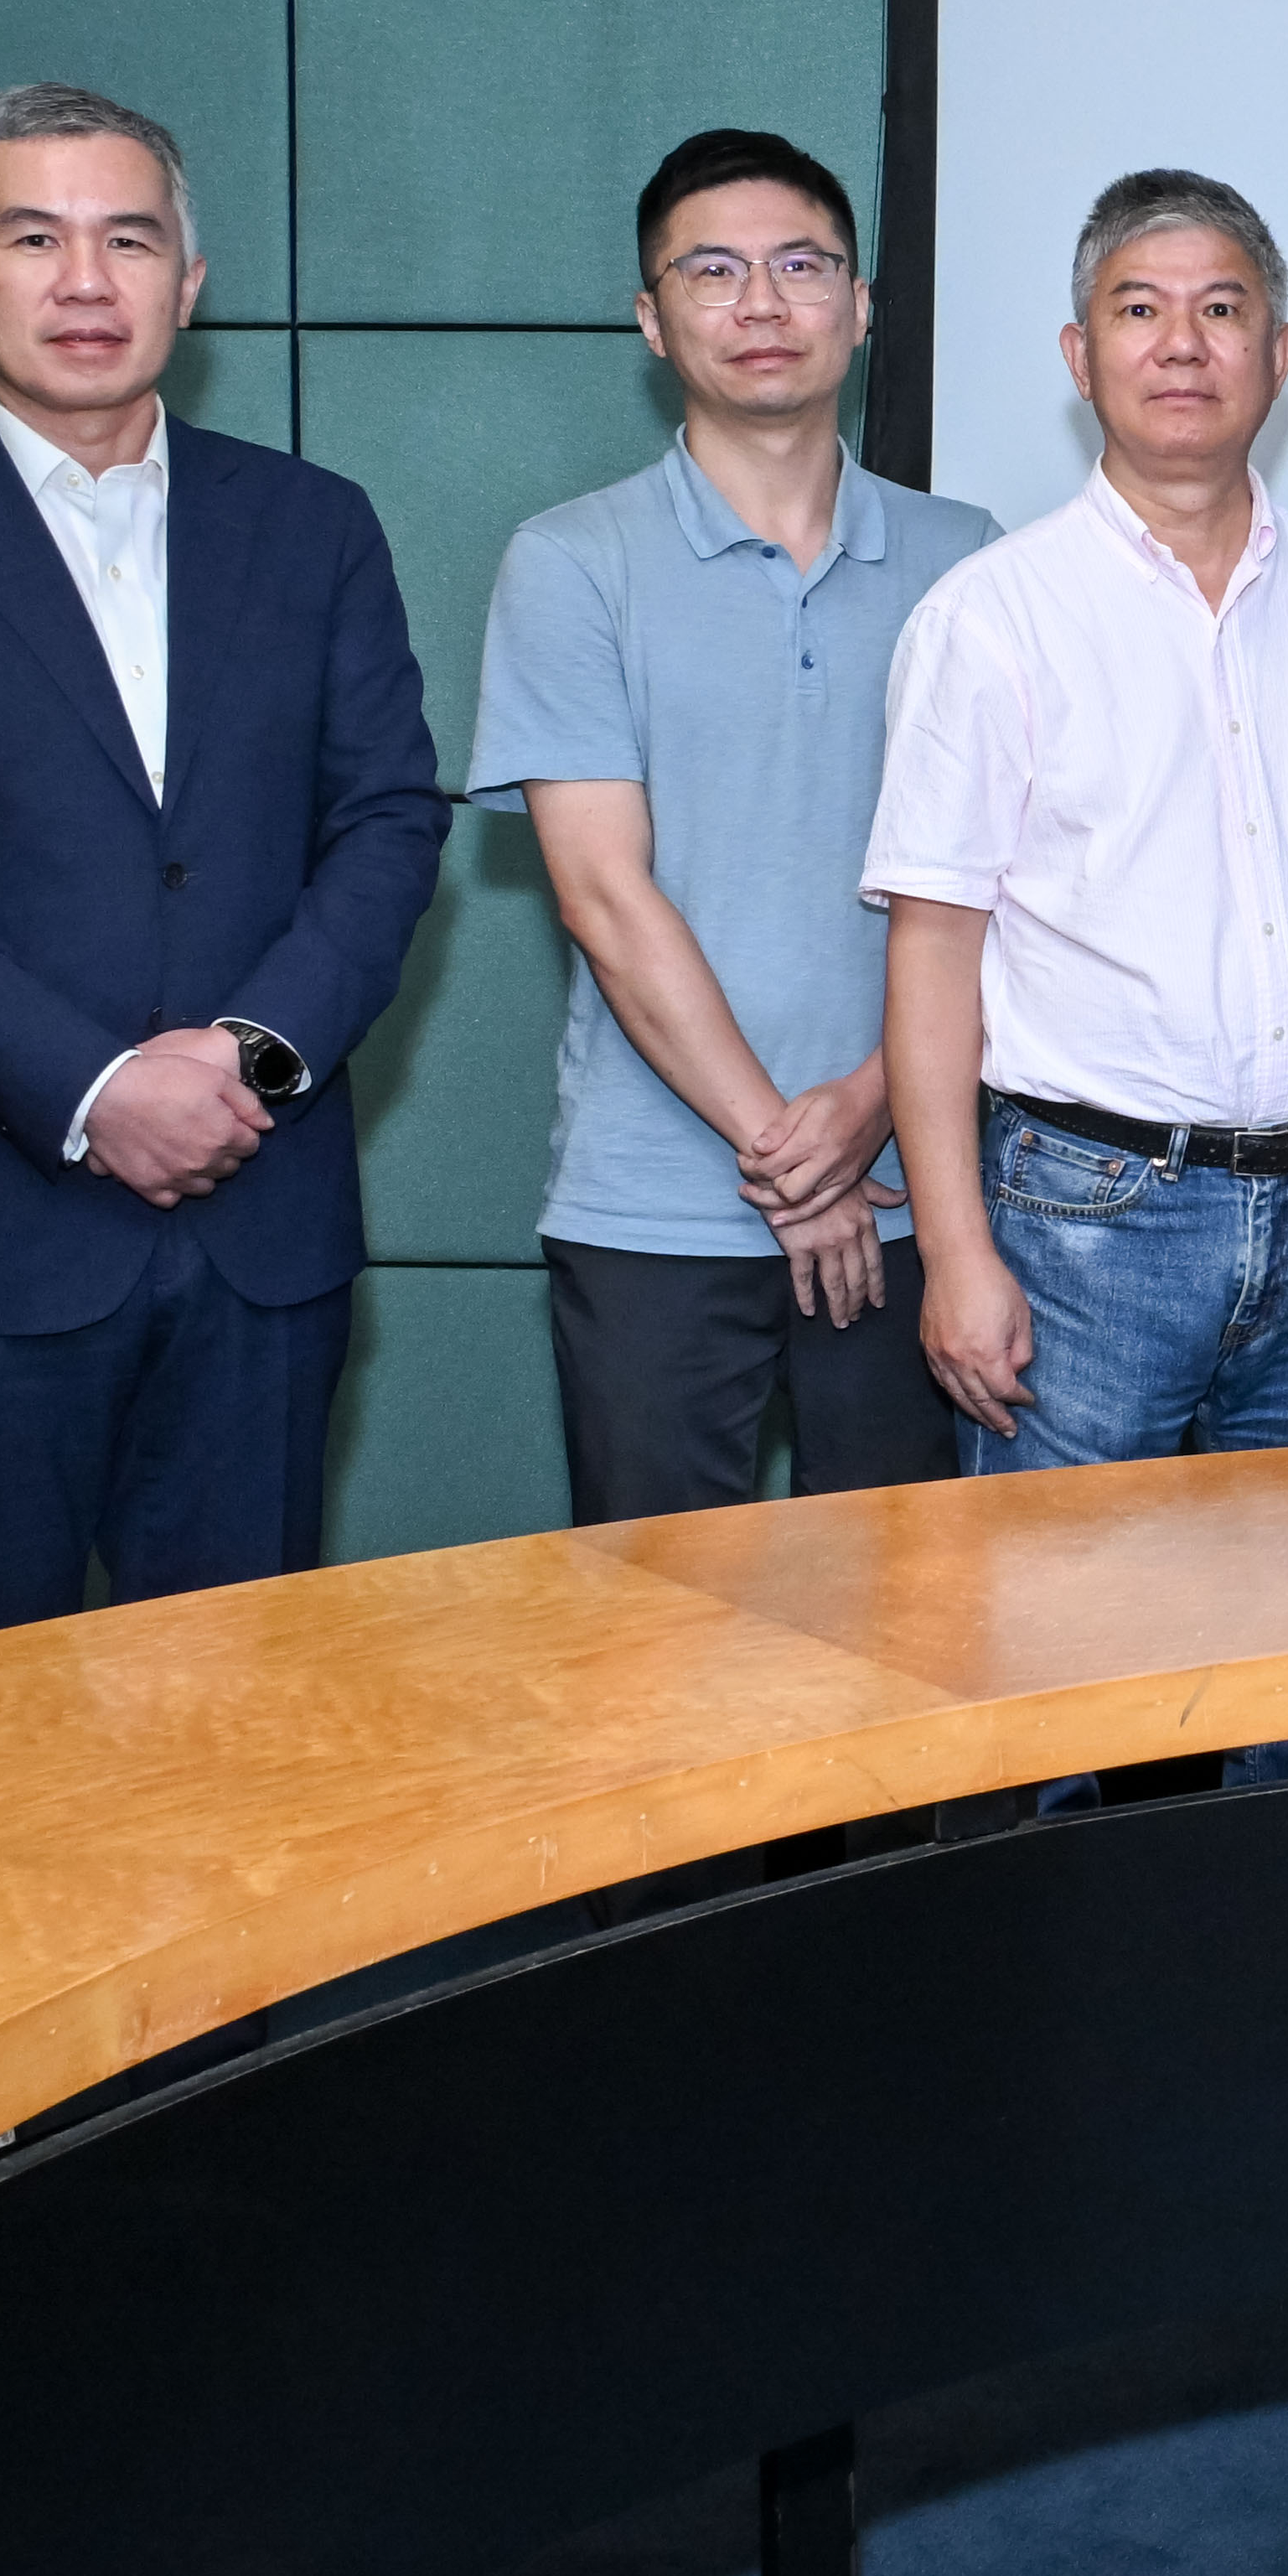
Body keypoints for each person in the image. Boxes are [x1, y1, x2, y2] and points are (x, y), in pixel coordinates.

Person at [0, 83, 445, 1604]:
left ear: (187, 284)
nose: (82, 280)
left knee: (239, 1730)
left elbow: (386, 819)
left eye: (128, 239)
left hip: (266, 1221)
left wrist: (249, 1061)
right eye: (34, 236)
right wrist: (93, 1085)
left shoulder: (313, 522)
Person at [872, 172, 1288, 1468]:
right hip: (1088, 1225)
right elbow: (935, 949)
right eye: (1140, 308)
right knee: (1072, 1633)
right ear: (1080, 355)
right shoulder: (993, 616)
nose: (1181, 342)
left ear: (1278, 357)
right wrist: (954, 1252)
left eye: (1221, 309)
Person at [469, 130, 998, 1528]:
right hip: (651, 1208)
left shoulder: (971, 562)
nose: (762, 304)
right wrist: (787, 1153)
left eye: (801, 265)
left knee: (911, 1641)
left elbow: (1005, 892)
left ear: (862, 301)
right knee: (661, 1652)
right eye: (713, 270)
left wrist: (869, 1106)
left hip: (915, 1190)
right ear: (652, 318)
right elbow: (602, 895)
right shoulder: (570, 561)